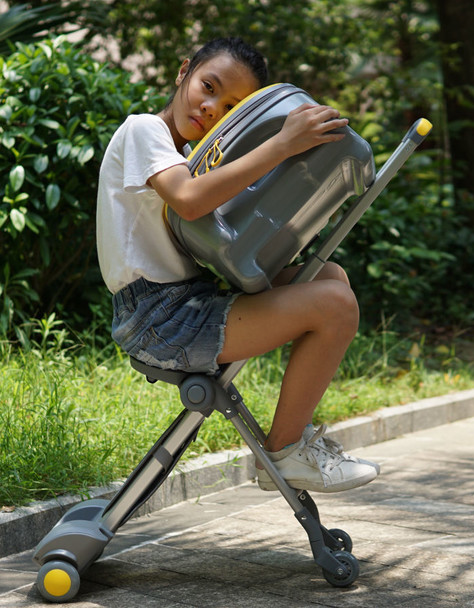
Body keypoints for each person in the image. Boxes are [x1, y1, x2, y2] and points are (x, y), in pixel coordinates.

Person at [96, 37, 377, 493]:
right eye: (208, 86)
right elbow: (189, 202)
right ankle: (285, 455)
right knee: (333, 304)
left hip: (186, 302)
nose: (211, 108)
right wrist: (283, 144)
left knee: (331, 278)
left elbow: (217, 236)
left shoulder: (188, 158)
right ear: (183, 71)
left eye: (230, 108)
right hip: (158, 318)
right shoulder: (144, 130)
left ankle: (294, 438)